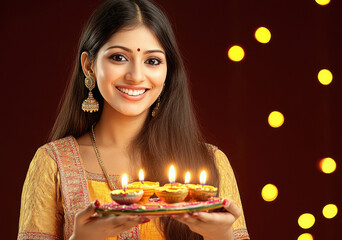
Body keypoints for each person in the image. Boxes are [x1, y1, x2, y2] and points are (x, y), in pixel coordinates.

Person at [17, 0, 250, 239]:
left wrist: (221, 236)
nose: (136, 76)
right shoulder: (53, 164)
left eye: (152, 61)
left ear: (167, 72)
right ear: (89, 66)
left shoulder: (211, 163)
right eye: (119, 57)